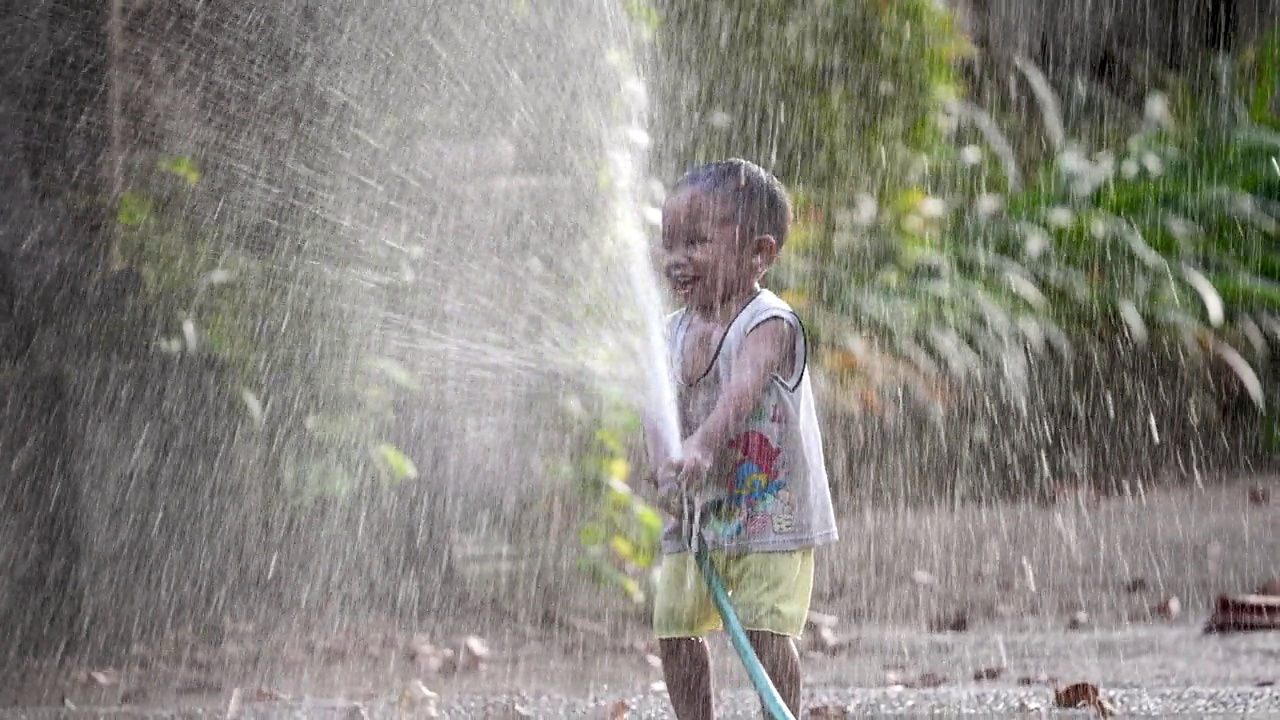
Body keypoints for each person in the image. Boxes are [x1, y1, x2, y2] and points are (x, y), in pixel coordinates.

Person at [644, 158, 838, 719]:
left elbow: (743, 393)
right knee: (675, 630)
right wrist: (664, 464)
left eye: (696, 242)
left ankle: (782, 714)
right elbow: (657, 410)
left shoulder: (769, 323)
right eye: (669, 243)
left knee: (765, 633)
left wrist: (702, 445)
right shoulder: (672, 332)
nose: (677, 259)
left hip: (769, 513)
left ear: (760, 253)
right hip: (699, 512)